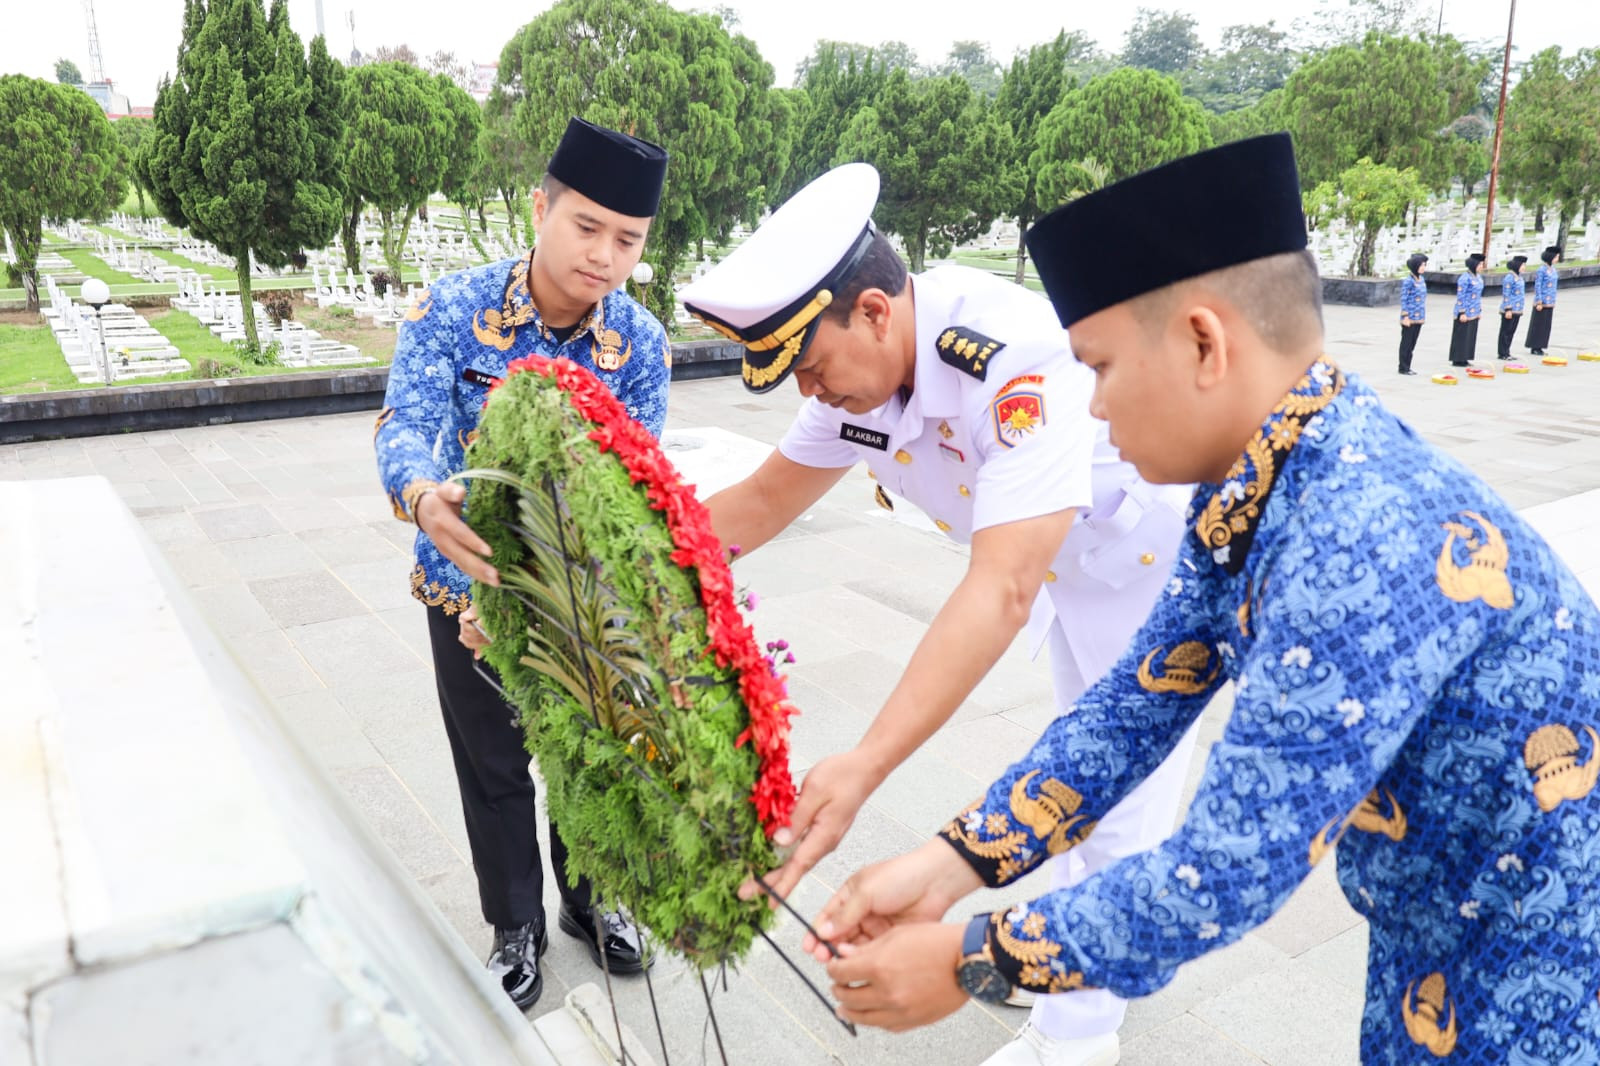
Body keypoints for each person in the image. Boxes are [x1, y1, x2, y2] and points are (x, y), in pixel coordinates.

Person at [801, 134, 1600, 1064]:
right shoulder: (1266, 479)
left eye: (1097, 368)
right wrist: (951, 865)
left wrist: (972, 962)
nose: (1092, 409)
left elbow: (1222, 868)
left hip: (1535, 959)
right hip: (1432, 926)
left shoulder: (1357, 538)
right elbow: (1139, 700)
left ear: (1202, 344)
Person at [682, 163, 1199, 1066]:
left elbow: (998, 587)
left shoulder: (1011, 356)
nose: (811, 393)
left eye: (810, 367)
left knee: (1120, 806)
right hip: (1065, 570)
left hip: (1151, 571)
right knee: (1077, 781)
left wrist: (865, 765)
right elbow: (758, 505)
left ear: (876, 313)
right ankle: (1070, 960)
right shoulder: (863, 381)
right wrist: (602, 580)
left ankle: (1078, 1038)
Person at [374, 116, 669, 1010]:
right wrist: (423, 494)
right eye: (586, 227)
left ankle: (591, 900)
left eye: (628, 240)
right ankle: (516, 924)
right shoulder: (449, 311)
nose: (605, 256)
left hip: (578, 598)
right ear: (540, 209)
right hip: (462, 579)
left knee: (590, 756)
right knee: (493, 764)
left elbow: (636, 490)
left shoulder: (640, 347)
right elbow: (406, 427)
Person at [1447, 253, 1485, 368]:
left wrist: (1479, 311)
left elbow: (1478, 295)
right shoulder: (1465, 278)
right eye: (1480, 264)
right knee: (1461, 335)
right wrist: (1462, 312)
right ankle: (1457, 358)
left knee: (1470, 335)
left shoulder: (1478, 277)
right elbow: (1461, 296)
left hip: (1474, 310)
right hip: (1465, 311)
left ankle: (1465, 357)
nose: (1481, 266)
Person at [1526, 245, 1561, 356]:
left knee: (1546, 326)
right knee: (1538, 325)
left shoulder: (1553, 270)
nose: (1557, 259)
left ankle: (1541, 345)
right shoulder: (1542, 270)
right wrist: (1539, 300)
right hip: (1542, 301)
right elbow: (1538, 285)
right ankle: (1534, 346)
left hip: (1550, 302)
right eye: (1556, 257)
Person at [1398, 252, 1427, 376]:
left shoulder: (1421, 279)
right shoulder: (1408, 281)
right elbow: (1404, 298)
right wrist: (1405, 316)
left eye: (1425, 265)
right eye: (1422, 265)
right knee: (1406, 342)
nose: (1424, 267)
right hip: (1409, 317)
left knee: (1413, 343)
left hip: (1419, 316)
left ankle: (1408, 365)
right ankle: (1403, 367)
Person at [1497, 255, 1528, 360]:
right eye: (1523, 265)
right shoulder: (1509, 277)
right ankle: (1502, 353)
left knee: (1511, 332)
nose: (1524, 267)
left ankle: (1507, 352)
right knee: (1505, 332)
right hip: (1509, 309)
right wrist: (1508, 309)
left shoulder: (1518, 277)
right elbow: (1506, 294)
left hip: (1517, 309)